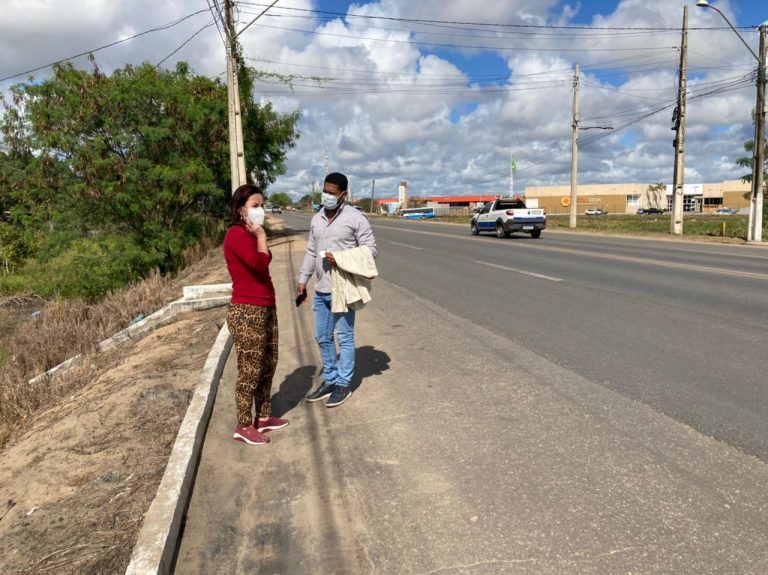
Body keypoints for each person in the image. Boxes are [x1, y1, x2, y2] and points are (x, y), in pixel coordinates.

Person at [297, 172, 378, 408]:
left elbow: (371, 249)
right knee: (322, 337)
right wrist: (303, 279)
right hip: (321, 288)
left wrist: (342, 258)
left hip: (343, 287)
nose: (326, 196)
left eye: (331, 193)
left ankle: (343, 384)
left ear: (343, 194)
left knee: (344, 337)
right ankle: (330, 380)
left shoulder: (356, 218)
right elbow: (312, 251)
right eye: (324, 191)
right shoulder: (316, 219)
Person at [223, 184, 288, 445]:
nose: (260, 210)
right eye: (254, 206)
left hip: (265, 307)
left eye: (262, 205)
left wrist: (259, 237)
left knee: (268, 363)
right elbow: (259, 264)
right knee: (249, 370)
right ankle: (243, 424)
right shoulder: (237, 235)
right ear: (241, 210)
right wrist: (262, 236)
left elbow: (263, 264)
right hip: (247, 311)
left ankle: (263, 416)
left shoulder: (250, 235)